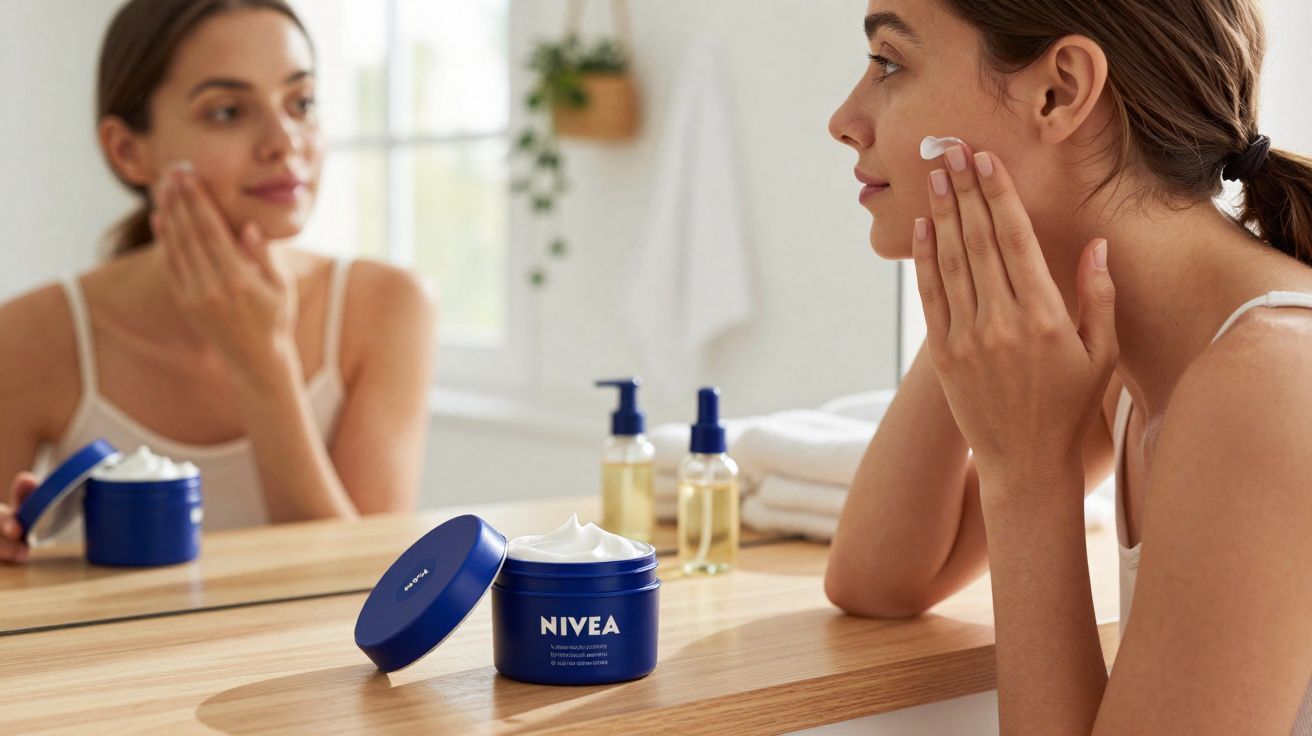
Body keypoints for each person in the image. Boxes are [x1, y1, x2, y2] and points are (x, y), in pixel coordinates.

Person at [826, 0, 1312, 732]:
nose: (845, 119)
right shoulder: (1137, 345)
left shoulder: (1266, 386)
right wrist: (981, 287)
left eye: (890, 63)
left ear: (1059, 90)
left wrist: (1030, 475)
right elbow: (881, 576)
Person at [0, 0, 437, 563]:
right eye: (228, 112)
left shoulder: (391, 306)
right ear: (128, 150)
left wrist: (262, 363)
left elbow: (374, 586)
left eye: (301, 102)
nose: (284, 141)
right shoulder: (31, 333)